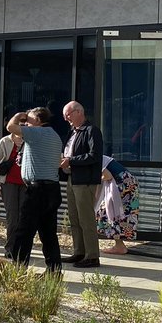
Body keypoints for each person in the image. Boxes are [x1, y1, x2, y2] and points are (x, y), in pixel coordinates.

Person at [5, 107, 64, 273]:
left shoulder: (37, 133)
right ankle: (54, 270)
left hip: (37, 190)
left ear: (38, 120)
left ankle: (18, 268)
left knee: (24, 231)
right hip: (52, 189)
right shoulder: (54, 135)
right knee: (48, 233)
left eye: (28, 119)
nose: (25, 123)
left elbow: (10, 127)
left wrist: (17, 115)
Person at [60, 101, 104, 269]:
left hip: (85, 181)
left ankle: (92, 256)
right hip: (72, 178)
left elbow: (94, 155)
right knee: (74, 218)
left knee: (86, 219)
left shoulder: (91, 131)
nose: (66, 118)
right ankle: (79, 251)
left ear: (79, 112)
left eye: (68, 114)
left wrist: (71, 160)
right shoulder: (72, 132)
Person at [0, 113, 26, 259]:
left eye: (25, 123)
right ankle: (10, 248)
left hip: (26, 183)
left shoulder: (30, 140)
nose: (23, 125)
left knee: (24, 217)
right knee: (12, 217)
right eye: (20, 122)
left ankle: (22, 248)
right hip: (9, 183)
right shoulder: (5, 141)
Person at [96, 156, 139, 255]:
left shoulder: (95, 159)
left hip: (123, 184)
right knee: (115, 213)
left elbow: (106, 175)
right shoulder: (99, 158)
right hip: (125, 182)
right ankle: (119, 245)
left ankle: (119, 246)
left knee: (111, 213)